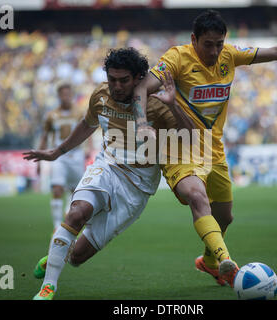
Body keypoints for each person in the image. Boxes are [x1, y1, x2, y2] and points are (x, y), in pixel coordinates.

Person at [131, 10, 277, 287]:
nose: (215, 51)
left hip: (212, 148)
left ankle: (210, 262)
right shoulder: (177, 58)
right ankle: (228, 263)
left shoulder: (230, 55)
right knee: (196, 196)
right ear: (194, 39)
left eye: (219, 43)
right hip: (178, 144)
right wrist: (142, 123)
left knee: (225, 216)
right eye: (208, 44)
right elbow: (141, 87)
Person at [23, 47, 194, 300]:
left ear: (138, 79)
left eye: (123, 80)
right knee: (77, 212)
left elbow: (190, 139)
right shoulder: (101, 95)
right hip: (107, 167)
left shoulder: (157, 103)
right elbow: (87, 125)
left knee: (78, 257)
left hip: (138, 187)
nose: (116, 86)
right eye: (112, 79)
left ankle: (54, 256)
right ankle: (48, 288)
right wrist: (56, 153)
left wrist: (175, 106)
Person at [37, 83, 86, 231]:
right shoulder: (51, 115)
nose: (66, 97)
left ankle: (68, 219)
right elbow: (45, 137)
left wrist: (89, 150)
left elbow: (86, 131)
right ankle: (57, 225)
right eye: (63, 94)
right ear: (59, 96)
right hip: (60, 156)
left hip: (77, 155)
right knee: (57, 189)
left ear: (72, 95)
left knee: (75, 192)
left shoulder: (79, 113)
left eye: (68, 94)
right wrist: (39, 160)